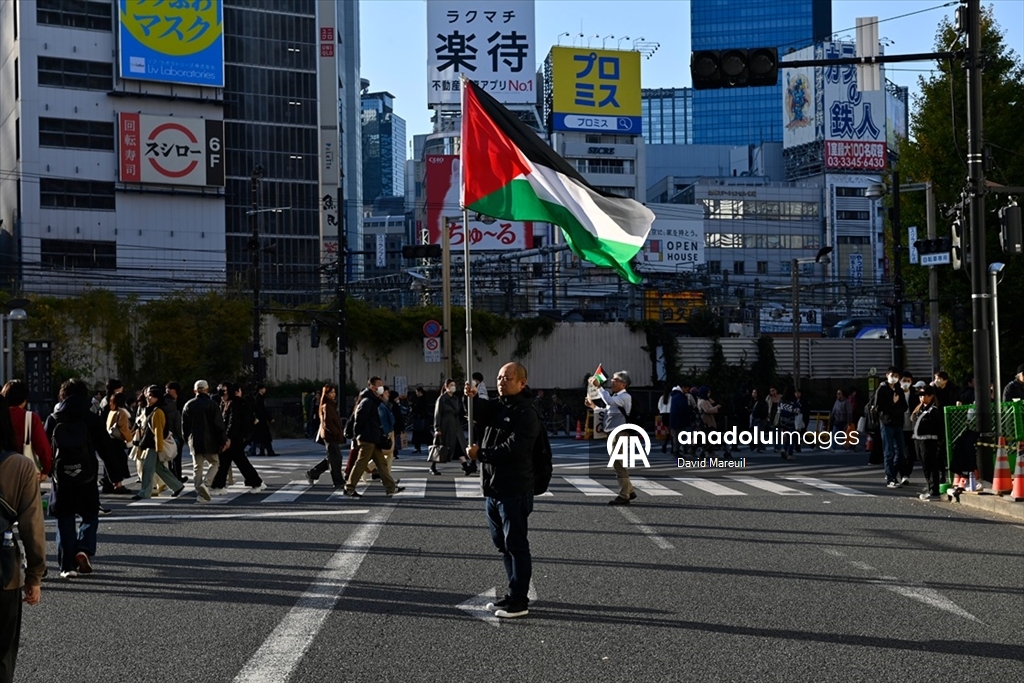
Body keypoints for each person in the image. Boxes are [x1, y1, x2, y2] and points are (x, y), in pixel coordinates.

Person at [465, 362, 541, 619]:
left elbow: (515, 449)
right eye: (499, 377)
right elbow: (479, 413)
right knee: (502, 544)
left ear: (522, 382)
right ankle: (513, 593)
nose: (501, 382)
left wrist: (481, 454)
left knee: (516, 544)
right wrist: (471, 397)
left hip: (514, 488)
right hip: (494, 488)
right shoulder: (499, 406)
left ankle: (519, 601)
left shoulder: (525, 411)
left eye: (507, 378)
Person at [0, 397, 45, 682]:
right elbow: (32, 526)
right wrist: (35, 576)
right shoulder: (19, 466)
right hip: (3, 571)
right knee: (2, 654)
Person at [44, 378, 107, 578]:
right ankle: (83, 548)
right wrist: (115, 475)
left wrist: (44, 470)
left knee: (65, 518)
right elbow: (106, 447)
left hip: (61, 478)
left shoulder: (54, 418)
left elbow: (45, 449)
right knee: (90, 515)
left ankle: (67, 567)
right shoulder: (91, 418)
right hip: (87, 476)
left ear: (62, 395)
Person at [342, 377, 403, 498]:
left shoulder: (372, 400)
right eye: (379, 385)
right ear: (372, 387)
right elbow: (359, 420)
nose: (382, 387)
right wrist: (358, 436)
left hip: (372, 437)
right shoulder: (368, 401)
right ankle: (349, 488)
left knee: (381, 463)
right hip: (367, 438)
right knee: (361, 463)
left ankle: (390, 488)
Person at [585, 370, 635, 506]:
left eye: (615, 380)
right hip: (614, 433)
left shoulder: (625, 396)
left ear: (623, 384)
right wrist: (593, 406)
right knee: (618, 464)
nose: (612, 381)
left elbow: (608, 401)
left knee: (618, 464)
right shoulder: (616, 397)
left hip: (620, 433)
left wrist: (598, 387)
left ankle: (624, 495)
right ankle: (629, 490)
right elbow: (606, 412)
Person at [130, 385, 186, 501]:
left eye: (152, 396)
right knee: (159, 468)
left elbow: (158, 431)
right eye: (149, 395)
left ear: (158, 399)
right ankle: (177, 486)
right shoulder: (152, 410)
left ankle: (144, 492)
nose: (149, 398)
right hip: (152, 443)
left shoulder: (158, 412)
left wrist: (158, 448)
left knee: (147, 468)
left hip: (154, 445)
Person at [210, 383, 266, 494]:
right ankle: (255, 482)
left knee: (233, 462)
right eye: (220, 390)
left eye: (224, 391)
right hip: (231, 438)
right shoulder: (224, 403)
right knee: (234, 462)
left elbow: (233, 422)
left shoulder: (235, 403)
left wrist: (227, 438)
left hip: (234, 438)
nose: (222, 393)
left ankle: (219, 486)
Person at [181, 380, 227, 504]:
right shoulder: (212, 404)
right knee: (214, 463)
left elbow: (184, 427)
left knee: (197, 467)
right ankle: (206, 483)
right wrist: (223, 439)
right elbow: (219, 425)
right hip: (211, 440)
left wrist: (187, 439)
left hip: (194, 440)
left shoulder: (188, 405)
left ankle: (199, 491)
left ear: (195, 390)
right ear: (207, 390)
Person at [2, 380, 52, 480]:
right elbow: (43, 447)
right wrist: (46, 470)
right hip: (24, 473)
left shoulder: (2, 415)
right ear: (24, 400)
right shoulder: (31, 418)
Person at [430, 379, 473, 476]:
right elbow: (437, 414)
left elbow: (459, 411)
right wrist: (437, 428)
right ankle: (433, 466)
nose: (453, 387)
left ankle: (465, 466)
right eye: (451, 385)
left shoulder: (455, 399)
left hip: (455, 425)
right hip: (445, 426)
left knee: (458, 445)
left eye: (454, 385)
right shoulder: (442, 399)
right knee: (440, 447)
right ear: (446, 387)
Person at [875, 367, 909, 488]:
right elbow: (878, 407)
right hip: (886, 423)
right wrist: (893, 404)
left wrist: (895, 408)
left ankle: (892, 474)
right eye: (892, 375)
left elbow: (904, 406)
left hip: (898, 423)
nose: (894, 377)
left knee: (901, 451)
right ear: (887, 375)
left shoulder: (899, 389)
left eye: (896, 376)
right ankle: (890, 478)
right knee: (889, 452)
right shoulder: (882, 389)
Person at [306, 384, 345, 488]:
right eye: (331, 392)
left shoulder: (331, 405)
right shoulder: (327, 406)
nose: (334, 394)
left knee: (332, 458)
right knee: (335, 459)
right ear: (326, 394)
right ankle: (338, 481)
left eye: (334, 392)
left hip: (333, 435)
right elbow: (327, 423)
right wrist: (336, 432)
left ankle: (313, 473)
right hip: (330, 435)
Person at [911, 385, 944, 501]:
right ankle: (930, 487)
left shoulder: (933, 410)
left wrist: (939, 442)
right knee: (925, 465)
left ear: (931, 396)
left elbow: (939, 428)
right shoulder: (919, 409)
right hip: (919, 441)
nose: (921, 398)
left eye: (923, 395)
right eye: (920, 396)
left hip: (929, 441)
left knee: (931, 466)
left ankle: (934, 491)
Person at [898, 372, 921, 484]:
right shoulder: (896, 393)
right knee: (899, 451)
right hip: (899, 426)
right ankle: (897, 473)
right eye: (904, 380)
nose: (906, 382)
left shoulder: (915, 395)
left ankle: (906, 474)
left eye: (908, 380)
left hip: (912, 427)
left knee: (910, 452)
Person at [161, 382, 186, 481]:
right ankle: (176, 476)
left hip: (172, 433)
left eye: (170, 388)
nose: (168, 390)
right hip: (173, 433)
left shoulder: (182, 402)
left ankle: (176, 475)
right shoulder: (164, 403)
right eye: (166, 388)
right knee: (173, 456)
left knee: (174, 457)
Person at [250, 384, 277, 457]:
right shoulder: (259, 399)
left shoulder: (258, 398)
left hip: (259, 420)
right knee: (265, 436)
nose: (265, 390)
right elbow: (263, 410)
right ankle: (269, 451)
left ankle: (262, 451)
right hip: (261, 420)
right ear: (260, 389)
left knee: (261, 436)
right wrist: (270, 418)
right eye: (263, 388)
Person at [409, 387, 432, 454]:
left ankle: (418, 447)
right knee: (423, 433)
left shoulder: (421, 400)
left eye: (417, 392)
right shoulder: (423, 399)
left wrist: (413, 407)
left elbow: (419, 409)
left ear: (420, 392)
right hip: (422, 418)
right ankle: (421, 446)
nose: (416, 393)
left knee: (421, 433)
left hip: (421, 418)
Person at [657, 385, 672, 454]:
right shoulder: (671, 398)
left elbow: (659, 406)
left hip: (663, 414)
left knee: (668, 432)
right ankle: (669, 446)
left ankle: (665, 446)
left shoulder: (661, 398)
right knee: (671, 432)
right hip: (670, 414)